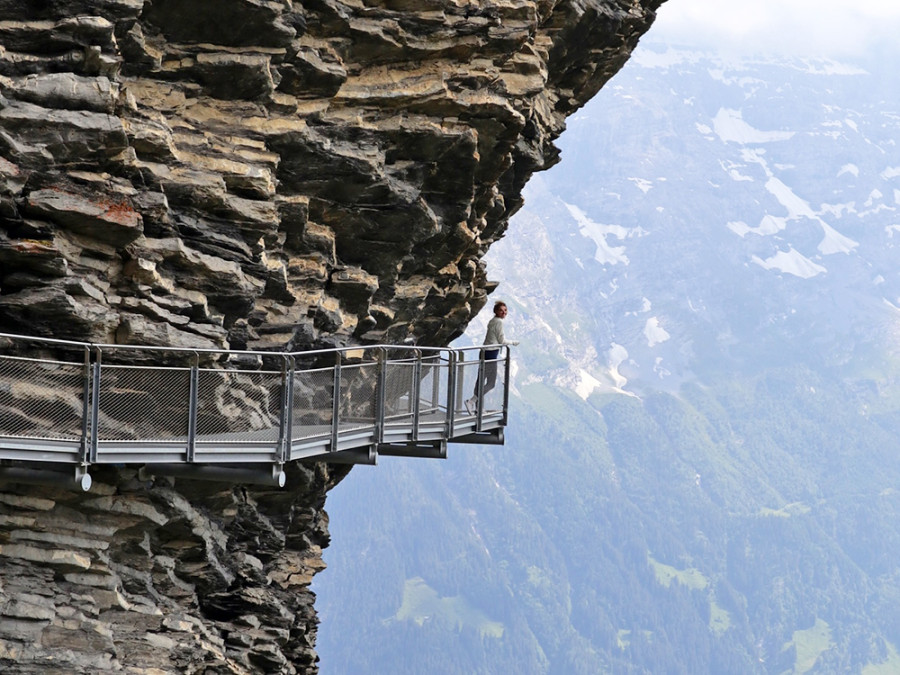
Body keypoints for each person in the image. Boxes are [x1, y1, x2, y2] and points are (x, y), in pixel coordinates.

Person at [465, 301, 518, 414]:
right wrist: (513, 342)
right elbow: (502, 341)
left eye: (505, 310)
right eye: (501, 310)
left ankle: (478, 408)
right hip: (491, 354)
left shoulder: (492, 321)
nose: (504, 312)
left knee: (481, 380)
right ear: (496, 311)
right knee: (491, 383)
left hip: (485, 352)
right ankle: (471, 401)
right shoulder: (499, 322)